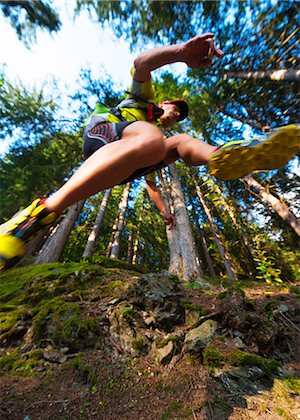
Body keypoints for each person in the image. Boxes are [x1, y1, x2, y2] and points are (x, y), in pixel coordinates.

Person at [0, 33, 299, 271]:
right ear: (164, 102)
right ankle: (38, 214)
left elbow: (151, 184)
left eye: (179, 115)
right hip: (103, 134)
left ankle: (224, 156)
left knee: (178, 142)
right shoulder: (143, 102)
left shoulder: (155, 137)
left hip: (124, 158)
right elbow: (142, 63)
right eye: (174, 109)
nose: (175, 115)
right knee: (155, 140)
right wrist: (181, 53)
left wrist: (165, 212)